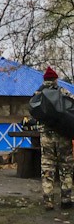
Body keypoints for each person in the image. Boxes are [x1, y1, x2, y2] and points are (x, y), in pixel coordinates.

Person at [37, 66, 73, 211]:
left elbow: (34, 111)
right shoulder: (62, 92)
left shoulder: (38, 94)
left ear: (45, 80)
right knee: (66, 167)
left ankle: (48, 201)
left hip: (46, 137)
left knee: (47, 167)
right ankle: (66, 199)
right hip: (63, 135)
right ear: (55, 79)